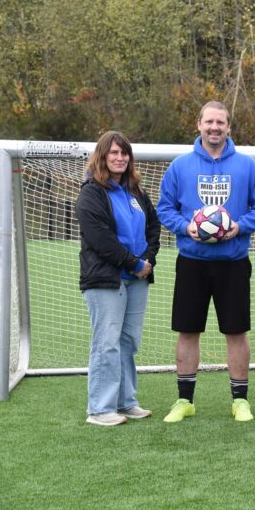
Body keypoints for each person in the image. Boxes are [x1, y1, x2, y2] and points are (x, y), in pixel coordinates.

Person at [157, 101, 255, 423]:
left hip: (233, 262)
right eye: (209, 122)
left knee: (236, 332)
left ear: (229, 127)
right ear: (198, 124)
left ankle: (240, 401)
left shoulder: (248, 166)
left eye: (220, 122)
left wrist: (239, 226)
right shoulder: (180, 166)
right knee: (187, 331)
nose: (214, 128)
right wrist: (186, 227)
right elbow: (164, 208)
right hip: (192, 262)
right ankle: (185, 400)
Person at [76, 131, 161, 426]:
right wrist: (133, 263)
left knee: (128, 342)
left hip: (138, 278)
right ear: (102, 156)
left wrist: (148, 260)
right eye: (113, 152)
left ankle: (125, 402)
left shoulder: (136, 191)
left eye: (124, 153)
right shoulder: (92, 192)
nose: (119, 158)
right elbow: (100, 239)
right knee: (107, 343)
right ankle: (99, 409)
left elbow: (153, 226)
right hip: (106, 279)